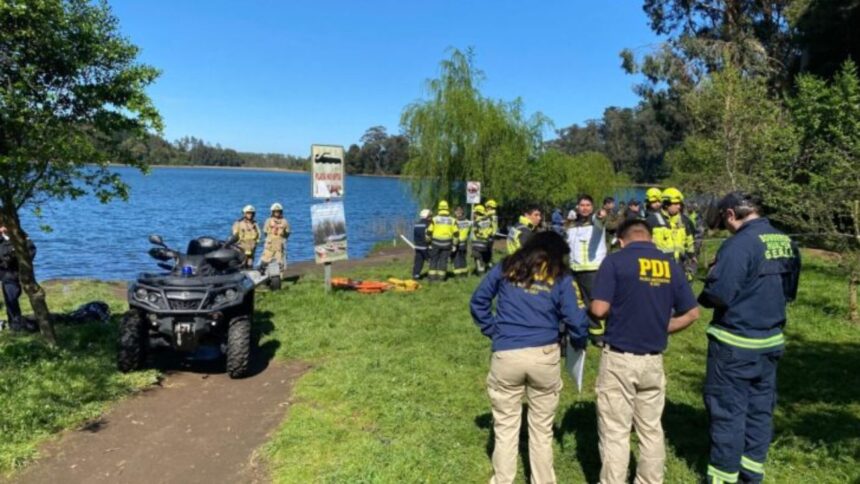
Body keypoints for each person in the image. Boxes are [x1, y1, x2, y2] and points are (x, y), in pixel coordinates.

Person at [470, 231, 590, 484]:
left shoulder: (508, 265)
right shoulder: (561, 275)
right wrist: (579, 344)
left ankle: (502, 480)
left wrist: (493, 331)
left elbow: (479, 300)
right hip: (544, 355)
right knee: (542, 429)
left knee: (504, 427)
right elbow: (577, 319)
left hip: (507, 353)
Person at [698, 192, 800, 484]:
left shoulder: (738, 245)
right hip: (770, 341)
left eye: (724, 221)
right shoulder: (786, 241)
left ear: (731, 214)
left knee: (728, 414)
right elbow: (789, 292)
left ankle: (722, 478)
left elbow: (719, 294)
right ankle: (751, 474)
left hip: (735, 345)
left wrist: (706, 288)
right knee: (760, 411)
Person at [589, 218, 700, 484]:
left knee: (616, 430)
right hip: (653, 359)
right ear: (650, 238)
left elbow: (599, 309)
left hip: (619, 357)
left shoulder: (615, 261)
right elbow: (693, 313)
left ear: (622, 240)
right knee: (651, 429)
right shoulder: (670, 264)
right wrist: (663, 328)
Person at [565, 195, 612, 345]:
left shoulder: (595, 222)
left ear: (592, 207)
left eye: (588, 205)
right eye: (582, 205)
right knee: (579, 303)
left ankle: (600, 335)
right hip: (574, 269)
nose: (585, 208)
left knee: (596, 303)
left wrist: (600, 214)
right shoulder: (572, 225)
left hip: (592, 269)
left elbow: (600, 219)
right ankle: (586, 331)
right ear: (577, 207)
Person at [646, 187, 698, 280]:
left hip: (680, 267)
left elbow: (690, 240)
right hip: (659, 269)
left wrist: (692, 256)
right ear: (666, 204)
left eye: (680, 203)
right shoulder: (652, 220)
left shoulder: (684, 221)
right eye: (676, 203)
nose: (679, 206)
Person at [0, 225, 36, 332]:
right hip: (5, 274)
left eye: (3, 226)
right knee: (10, 300)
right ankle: (14, 325)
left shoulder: (20, 236)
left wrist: (15, 256)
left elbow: (31, 251)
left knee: (14, 298)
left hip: (16, 273)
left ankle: (18, 325)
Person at [426, 200, 458, 282]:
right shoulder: (453, 220)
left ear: (439, 208)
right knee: (443, 260)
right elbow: (456, 233)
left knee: (434, 259)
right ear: (447, 208)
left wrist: (428, 242)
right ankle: (441, 278)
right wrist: (454, 244)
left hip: (435, 243)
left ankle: (432, 278)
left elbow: (429, 232)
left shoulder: (434, 219)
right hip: (447, 244)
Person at [260, 202, 291, 272]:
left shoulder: (284, 221)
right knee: (264, 261)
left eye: (278, 211)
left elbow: (287, 233)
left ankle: (279, 279)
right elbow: (265, 231)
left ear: (281, 212)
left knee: (280, 263)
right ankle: (264, 275)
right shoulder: (268, 221)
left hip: (279, 245)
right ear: (272, 212)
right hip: (269, 245)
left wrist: (282, 238)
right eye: (275, 211)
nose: (277, 213)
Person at [470, 204, 494, 275]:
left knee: (478, 258)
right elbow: (491, 230)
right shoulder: (488, 220)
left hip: (478, 243)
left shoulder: (476, 222)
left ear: (478, 213)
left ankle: (480, 272)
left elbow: (475, 231)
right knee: (485, 257)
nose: (474, 214)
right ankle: (488, 270)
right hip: (485, 243)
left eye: (475, 213)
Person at [411, 209, 432, 280]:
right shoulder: (429, 224)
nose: (431, 217)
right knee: (431, 261)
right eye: (430, 216)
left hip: (418, 247)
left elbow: (415, 236)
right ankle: (432, 276)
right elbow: (429, 236)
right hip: (426, 247)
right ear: (427, 216)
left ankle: (415, 275)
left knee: (418, 262)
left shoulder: (416, 224)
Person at [453, 206, 471, 277]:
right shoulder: (468, 221)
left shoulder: (454, 221)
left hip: (457, 243)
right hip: (464, 243)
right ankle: (464, 273)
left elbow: (453, 232)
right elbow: (469, 231)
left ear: (455, 213)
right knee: (463, 257)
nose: (458, 212)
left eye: (457, 211)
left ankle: (458, 274)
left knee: (456, 258)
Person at [486, 199, 500, 267]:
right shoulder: (494, 215)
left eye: (487, 207)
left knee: (487, 250)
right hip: (493, 235)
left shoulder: (489, 215)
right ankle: (490, 263)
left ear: (490, 207)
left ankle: (489, 263)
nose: (486, 209)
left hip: (489, 234)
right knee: (490, 250)